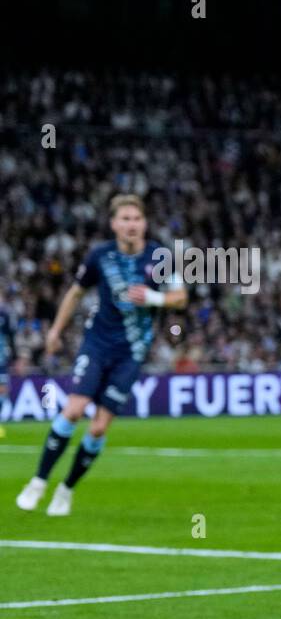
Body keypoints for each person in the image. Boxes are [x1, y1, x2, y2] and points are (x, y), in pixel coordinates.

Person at [16, 195, 186, 515]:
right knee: (73, 409)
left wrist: (153, 297)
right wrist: (55, 331)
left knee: (97, 428)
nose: (131, 224)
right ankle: (38, 481)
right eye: (125, 219)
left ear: (144, 223)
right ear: (113, 224)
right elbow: (75, 293)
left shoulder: (160, 257)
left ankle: (66, 489)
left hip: (132, 353)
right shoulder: (99, 255)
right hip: (97, 344)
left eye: (136, 218)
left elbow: (180, 297)